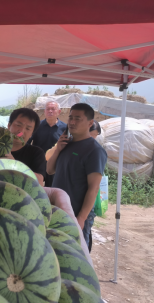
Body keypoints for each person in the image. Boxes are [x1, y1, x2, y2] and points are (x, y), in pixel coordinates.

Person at [47, 104, 107, 252]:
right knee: (58, 251)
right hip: (57, 209)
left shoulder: (94, 150)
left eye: (78, 119)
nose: (72, 122)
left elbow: (93, 189)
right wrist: (58, 149)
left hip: (76, 212)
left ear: (90, 123)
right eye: (71, 118)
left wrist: (81, 219)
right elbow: (49, 170)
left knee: (77, 254)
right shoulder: (66, 144)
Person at [0, 108, 46, 185]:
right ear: (9, 126)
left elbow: (39, 181)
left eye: (28, 128)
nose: (21, 131)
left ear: (31, 134)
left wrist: (14, 165)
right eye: (18, 125)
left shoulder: (36, 152)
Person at [27, 101, 67, 187]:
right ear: (44, 112)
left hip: (54, 164)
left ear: (59, 112)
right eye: (48, 109)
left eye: (53, 109)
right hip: (37, 163)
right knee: (35, 187)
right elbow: (27, 141)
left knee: (52, 188)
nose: (50, 111)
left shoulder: (65, 128)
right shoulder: (36, 126)